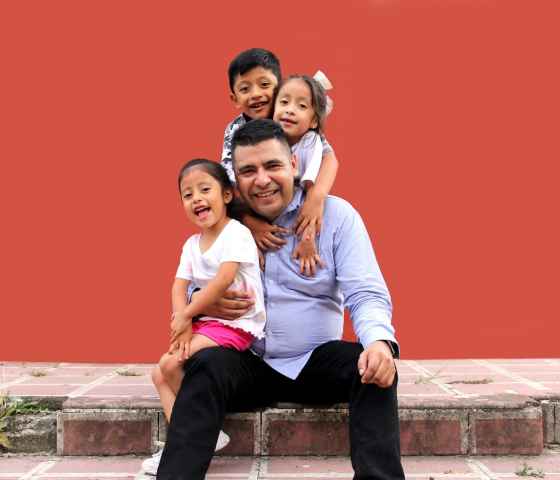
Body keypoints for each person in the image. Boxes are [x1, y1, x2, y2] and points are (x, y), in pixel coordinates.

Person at [156, 120, 404, 480]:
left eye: (272, 166)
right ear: (234, 182)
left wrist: (379, 343)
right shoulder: (224, 228)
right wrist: (202, 302)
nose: (261, 180)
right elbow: (194, 282)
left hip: (313, 361)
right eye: (248, 171)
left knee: (374, 369)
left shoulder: (336, 217)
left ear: (294, 165)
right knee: (205, 365)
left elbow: (365, 291)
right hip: (245, 361)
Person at [143, 159, 266, 476]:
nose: (196, 198)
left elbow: (224, 280)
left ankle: (193, 438)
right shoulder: (191, 244)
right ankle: (202, 436)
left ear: (226, 195)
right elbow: (178, 284)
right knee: (159, 375)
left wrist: (187, 314)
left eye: (204, 189)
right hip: (204, 321)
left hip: (237, 324)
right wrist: (180, 318)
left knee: (170, 365)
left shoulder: (236, 233)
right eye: (187, 194)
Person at [222, 48, 338, 276]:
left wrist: (316, 198)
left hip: (296, 204)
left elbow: (329, 158)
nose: (256, 94)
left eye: (264, 85)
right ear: (234, 98)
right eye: (245, 89)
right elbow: (228, 185)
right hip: (252, 207)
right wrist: (249, 223)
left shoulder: (292, 119)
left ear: (279, 87)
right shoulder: (235, 131)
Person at [273, 73, 337, 276]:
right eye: (284, 102)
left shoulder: (310, 142)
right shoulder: (268, 137)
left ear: (314, 122)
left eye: (302, 106)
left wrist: (307, 239)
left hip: (296, 212)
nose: (290, 110)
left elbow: (309, 199)